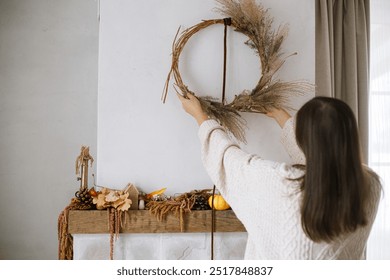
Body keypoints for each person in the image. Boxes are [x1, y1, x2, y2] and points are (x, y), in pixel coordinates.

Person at [176, 92, 382, 259]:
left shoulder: (282, 185)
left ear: (304, 139)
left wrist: (200, 117)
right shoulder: (370, 184)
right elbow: (325, 162)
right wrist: (283, 118)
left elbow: (232, 161)